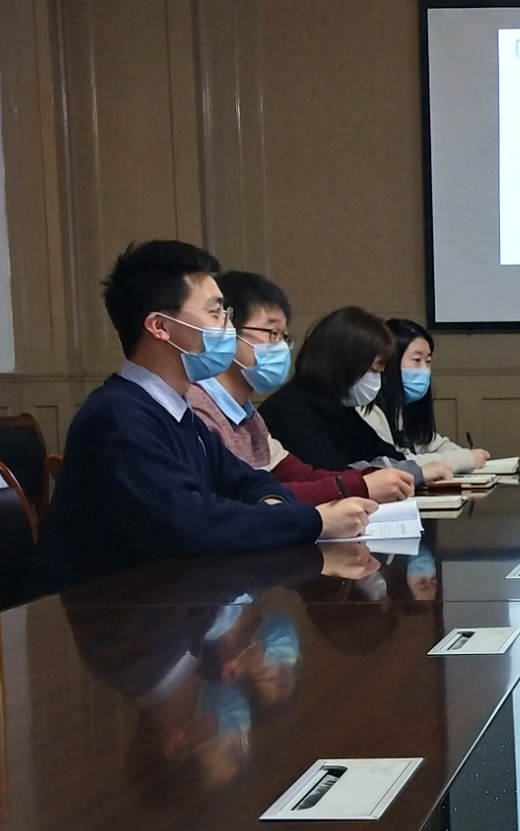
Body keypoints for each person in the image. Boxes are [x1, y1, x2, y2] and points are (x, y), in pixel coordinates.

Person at [32, 241, 374, 596]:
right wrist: (314, 520)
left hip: (168, 600)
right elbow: (191, 524)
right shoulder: (118, 418)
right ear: (160, 326)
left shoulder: (175, 410)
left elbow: (252, 483)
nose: (227, 326)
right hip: (109, 611)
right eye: (215, 313)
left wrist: (273, 510)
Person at [187, 272, 414, 506]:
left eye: (284, 337)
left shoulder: (248, 415)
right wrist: (359, 486)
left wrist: (370, 479)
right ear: (225, 330)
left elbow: (298, 474)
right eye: (272, 333)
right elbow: (244, 497)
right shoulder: (197, 410)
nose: (281, 348)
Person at [260, 306, 448, 481]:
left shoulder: (340, 409)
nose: (377, 380)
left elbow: (387, 455)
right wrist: (411, 473)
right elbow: (328, 479)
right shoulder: (288, 410)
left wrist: (411, 471)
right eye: (373, 370)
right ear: (345, 361)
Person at [363, 319, 489, 478]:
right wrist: (462, 459)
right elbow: (395, 464)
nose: (425, 370)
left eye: (428, 361)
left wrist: (465, 456)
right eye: (417, 360)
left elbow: (432, 443)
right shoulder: (368, 411)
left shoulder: (404, 407)